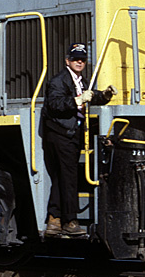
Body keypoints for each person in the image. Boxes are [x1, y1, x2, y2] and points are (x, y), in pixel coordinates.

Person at [42, 42, 115, 237]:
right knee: (69, 177)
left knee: (61, 177)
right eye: (75, 59)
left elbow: (89, 95)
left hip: (70, 134)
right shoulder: (58, 81)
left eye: (82, 59)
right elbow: (55, 104)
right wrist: (78, 100)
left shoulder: (81, 81)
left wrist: (104, 95)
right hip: (61, 134)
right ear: (67, 60)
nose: (79, 62)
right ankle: (70, 221)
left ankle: (54, 220)